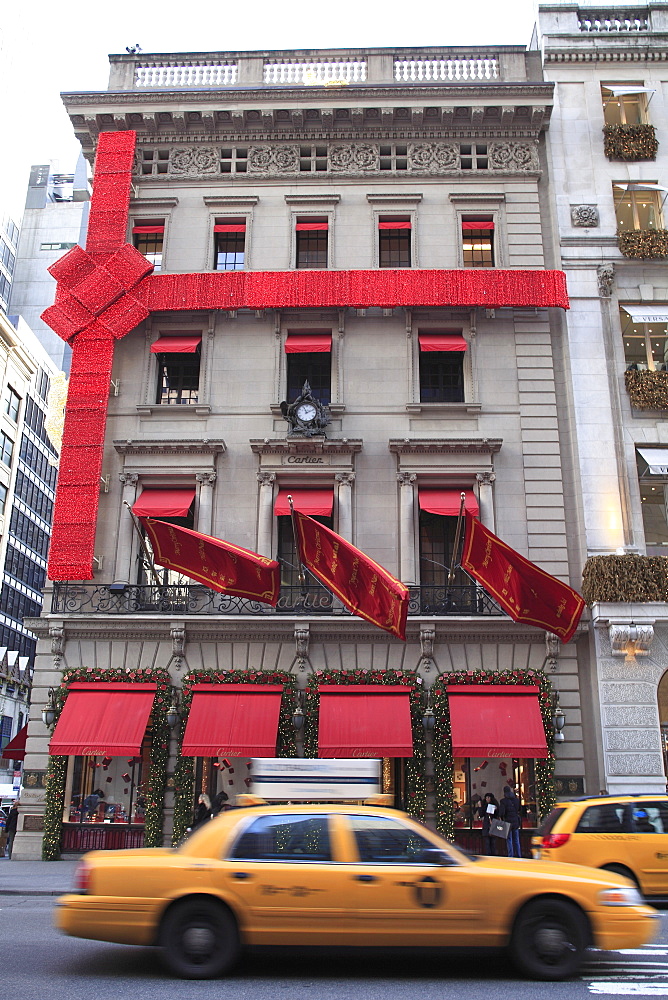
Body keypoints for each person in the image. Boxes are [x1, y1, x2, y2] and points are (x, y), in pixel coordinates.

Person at [499, 784, 522, 858]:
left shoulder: (503, 801)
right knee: (516, 840)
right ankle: (518, 855)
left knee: (509, 840)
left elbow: (501, 812)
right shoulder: (516, 800)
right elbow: (520, 810)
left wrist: (501, 816)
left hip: (508, 822)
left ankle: (510, 855)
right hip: (515, 822)